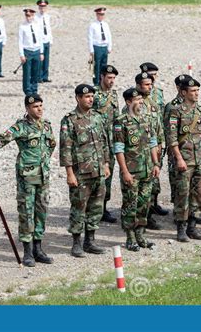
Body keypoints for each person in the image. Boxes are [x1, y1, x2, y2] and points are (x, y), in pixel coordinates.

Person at [0, 94, 56, 267]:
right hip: (27, 177)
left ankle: (38, 249)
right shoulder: (21, 127)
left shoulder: (47, 126)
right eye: (35, 107)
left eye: (41, 106)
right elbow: (0, 141)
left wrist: (45, 162)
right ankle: (27, 251)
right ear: (27, 109)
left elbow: (52, 145)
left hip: (43, 176)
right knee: (26, 212)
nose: (39, 109)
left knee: (41, 212)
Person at [60, 84, 110, 258]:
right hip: (80, 172)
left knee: (96, 207)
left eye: (92, 96)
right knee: (78, 208)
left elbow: (104, 143)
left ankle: (90, 241)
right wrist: (69, 173)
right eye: (87, 97)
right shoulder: (70, 120)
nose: (90, 99)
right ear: (78, 98)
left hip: (98, 170)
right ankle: (76, 243)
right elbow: (65, 149)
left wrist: (106, 164)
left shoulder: (97, 117)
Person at [114, 88, 160, 251]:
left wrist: (156, 163)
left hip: (147, 170)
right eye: (136, 99)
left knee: (144, 203)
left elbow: (153, 142)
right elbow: (119, 149)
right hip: (132, 172)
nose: (140, 102)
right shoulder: (121, 121)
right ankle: (130, 237)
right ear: (128, 102)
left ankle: (141, 234)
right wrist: (125, 171)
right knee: (130, 204)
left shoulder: (147, 118)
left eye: (141, 99)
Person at [166, 77, 201, 242]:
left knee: (198, 193)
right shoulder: (175, 111)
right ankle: (181, 228)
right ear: (184, 92)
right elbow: (172, 139)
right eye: (193, 91)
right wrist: (178, 159)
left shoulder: (200, 110)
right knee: (182, 194)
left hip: (199, 158)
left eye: (198, 90)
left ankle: (193, 226)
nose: (196, 93)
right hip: (184, 159)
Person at [133, 72, 164, 230]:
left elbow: (157, 123)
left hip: (154, 148)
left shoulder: (152, 102)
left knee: (152, 183)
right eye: (146, 85)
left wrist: (160, 142)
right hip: (140, 153)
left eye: (151, 84)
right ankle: (138, 220)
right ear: (138, 86)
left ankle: (149, 213)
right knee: (139, 188)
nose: (150, 87)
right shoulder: (134, 104)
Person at [139, 62, 169, 218]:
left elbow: (161, 116)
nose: (155, 79)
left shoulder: (158, 93)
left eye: (156, 75)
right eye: (152, 75)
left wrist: (161, 140)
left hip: (157, 139)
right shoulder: (135, 97)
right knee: (145, 174)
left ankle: (154, 203)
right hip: (143, 143)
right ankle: (145, 209)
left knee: (156, 172)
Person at [92, 64, 119, 223]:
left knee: (109, 174)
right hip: (97, 140)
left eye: (113, 78)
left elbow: (116, 118)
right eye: (109, 78)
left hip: (111, 141)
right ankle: (94, 208)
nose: (111, 81)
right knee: (97, 175)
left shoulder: (114, 95)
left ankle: (103, 207)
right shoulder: (93, 94)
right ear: (101, 77)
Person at [163, 74, 192, 217]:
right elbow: (169, 131)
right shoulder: (172, 106)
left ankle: (189, 212)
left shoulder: (193, 105)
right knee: (177, 180)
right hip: (176, 150)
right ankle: (178, 211)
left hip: (191, 151)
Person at [18, 8, 43, 96]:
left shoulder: (37, 25)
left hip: (36, 50)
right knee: (27, 72)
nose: (29, 17)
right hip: (27, 51)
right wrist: (21, 54)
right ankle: (27, 90)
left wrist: (41, 52)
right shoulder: (22, 27)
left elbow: (40, 39)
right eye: (27, 16)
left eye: (31, 16)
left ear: (33, 16)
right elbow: (20, 42)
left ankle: (34, 89)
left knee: (35, 72)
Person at [87, 7, 112, 86]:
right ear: (97, 15)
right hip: (97, 46)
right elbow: (90, 38)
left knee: (104, 65)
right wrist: (91, 50)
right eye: (100, 14)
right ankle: (96, 82)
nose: (102, 16)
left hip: (104, 46)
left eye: (103, 14)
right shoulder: (93, 25)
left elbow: (109, 36)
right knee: (96, 65)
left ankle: (102, 81)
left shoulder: (105, 24)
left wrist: (109, 46)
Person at [35, 0, 53, 83]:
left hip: (47, 40)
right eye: (41, 6)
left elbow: (49, 29)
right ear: (38, 7)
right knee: (40, 60)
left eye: (44, 6)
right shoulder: (35, 17)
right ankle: (39, 77)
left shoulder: (47, 16)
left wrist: (51, 39)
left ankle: (45, 76)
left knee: (46, 59)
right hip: (39, 41)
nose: (42, 8)